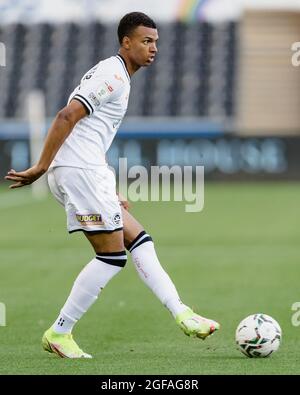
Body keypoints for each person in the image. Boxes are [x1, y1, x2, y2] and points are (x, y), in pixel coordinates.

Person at [5, 12, 219, 359]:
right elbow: (66, 116)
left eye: (157, 42)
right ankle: (60, 331)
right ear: (126, 42)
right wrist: (41, 167)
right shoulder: (112, 75)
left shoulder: (119, 75)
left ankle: (182, 312)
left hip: (89, 171)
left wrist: (108, 187)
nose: (154, 48)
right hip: (78, 172)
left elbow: (89, 133)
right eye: (147, 41)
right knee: (111, 257)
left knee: (141, 241)